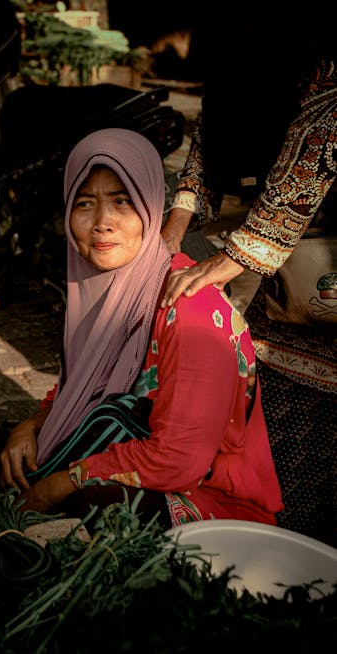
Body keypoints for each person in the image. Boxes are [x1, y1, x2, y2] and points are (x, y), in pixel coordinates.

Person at [0, 127, 283, 529]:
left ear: (151, 209)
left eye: (122, 202)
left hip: (205, 500)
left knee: (81, 508)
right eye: (84, 204)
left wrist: (59, 484)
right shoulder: (108, 288)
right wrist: (28, 426)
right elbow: (83, 388)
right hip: (118, 452)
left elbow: (179, 459)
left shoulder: (187, 305)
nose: (102, 224)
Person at [159, 9, 336, 545]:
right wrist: (174, 227)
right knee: (268, 379)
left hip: (317, 251)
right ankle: (290, 543)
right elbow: (212, 134)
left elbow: (316, 143)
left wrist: (234, 258)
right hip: (294, 274)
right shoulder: (244, 48)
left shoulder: (322, 58)